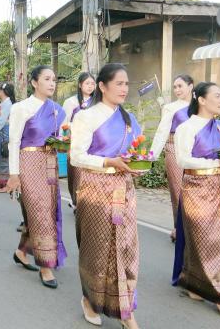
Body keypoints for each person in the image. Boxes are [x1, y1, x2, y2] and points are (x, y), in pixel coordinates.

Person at [71, 63, 141, 328]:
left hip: (124, 189)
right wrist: (108, 162)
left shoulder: (129, 119)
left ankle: (125, 308)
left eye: (126, 84)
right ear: (102, 86)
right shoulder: (86, 117)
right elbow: (77, 156)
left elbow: (134, 153)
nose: (124, 88)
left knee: (125, 248)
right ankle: (90, 300)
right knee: (97, 249)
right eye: (119, 83)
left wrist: (136, 165)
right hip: (96, 188)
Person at [172, 81, 220, 316]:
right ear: (201, 99)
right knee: (206, 240)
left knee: (215, 238)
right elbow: (183, 160)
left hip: (217, 186)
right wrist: (215, 162)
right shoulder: (187, 127)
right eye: (218, 96)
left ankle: (194, 284)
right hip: (195, 187)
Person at [6, 65, 66, 289]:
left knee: (46, 210)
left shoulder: (57, 110)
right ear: (34, 82)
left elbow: (62, 136)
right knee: (40, 211)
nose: (52, 83)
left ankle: (21, 252)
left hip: (50, 163)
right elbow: (14, 142)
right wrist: (14, 174)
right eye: (46, 79)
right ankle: (45, 265)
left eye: (53, 79)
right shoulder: (21, 108)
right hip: (28, 162)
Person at [150, 74, 194, 242]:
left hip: (194, 150)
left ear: (191, 86)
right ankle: (179, 227)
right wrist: (152, 156)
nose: (177, 90)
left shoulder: (200, 105)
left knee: (193, 190)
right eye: (175, 87)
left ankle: (193, 227)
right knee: (177, 191)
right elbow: (162, 132)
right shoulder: (170, 108)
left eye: (180, 86)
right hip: (173, 148)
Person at [62, 72, 96, 211]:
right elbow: (64, 124)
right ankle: (76, 200)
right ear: (80, 85)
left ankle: (86, 202)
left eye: (92, 84)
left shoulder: (98, 102)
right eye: (87, 83)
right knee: (75, 174)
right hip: (75, 142)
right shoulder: (71, 102)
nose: (90, 86)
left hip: (93, 144)